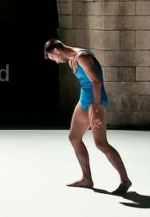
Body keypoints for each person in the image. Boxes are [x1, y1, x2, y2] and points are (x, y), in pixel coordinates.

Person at [44, 39, 132, 195]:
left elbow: (97, 83)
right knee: (74, 138)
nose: (56, 62)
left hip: (94, 102)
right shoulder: (73, 57)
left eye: (53, 58)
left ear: (56, 51)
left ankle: (125, 180)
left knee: (101, 143)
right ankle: (86, 179)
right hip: (84, 100)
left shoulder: (82, 56)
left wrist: (96, 108)